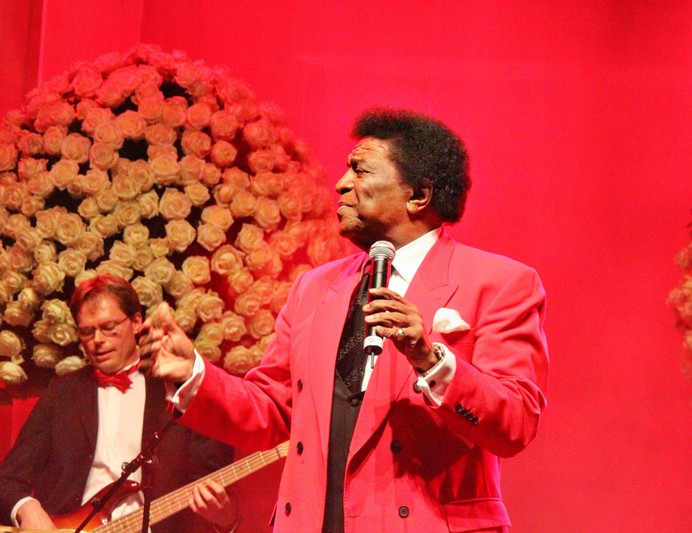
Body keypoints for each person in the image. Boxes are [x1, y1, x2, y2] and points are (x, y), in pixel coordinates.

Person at [141, 108, 549, 532]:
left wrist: (431, 361)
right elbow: (273, 410)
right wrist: (193, 374)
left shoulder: (499, 283)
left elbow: (516, 423)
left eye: (360, 170)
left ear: (418, 195)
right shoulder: (314, 288)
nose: (341, 183)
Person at [0, 274, 240, 532]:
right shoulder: (63, 392)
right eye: (87, 331)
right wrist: (26, 507)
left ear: (136, 322)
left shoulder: (181, 391)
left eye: (108, 327)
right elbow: (8, 480)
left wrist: (225, 517)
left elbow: (213, 493)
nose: (98, 340)